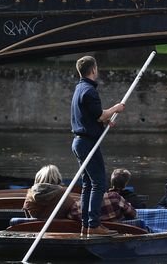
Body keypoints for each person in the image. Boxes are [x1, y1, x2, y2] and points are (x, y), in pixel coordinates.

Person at [71, 55, 126, 237]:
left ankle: (86, 225)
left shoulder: (79, 89)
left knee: (88, 184)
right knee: (99, 184)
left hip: (80, 142)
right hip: (87, 143)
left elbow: (93, 116)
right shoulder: (89, 91)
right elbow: (100, 115)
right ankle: (93, 225)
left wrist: (103, 121)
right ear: (93, 69)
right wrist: (115, 109)